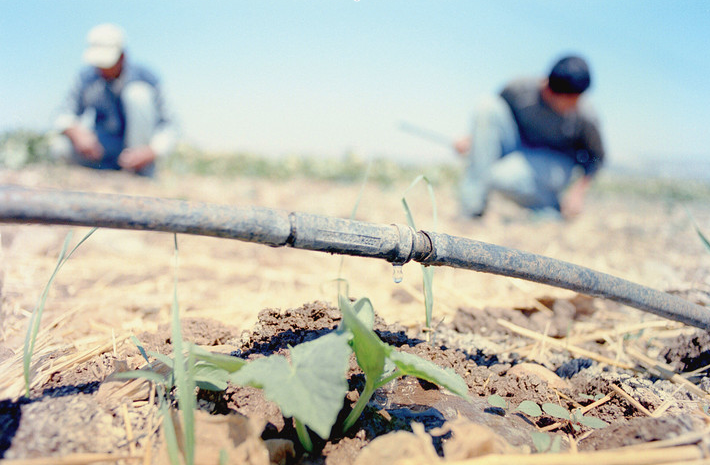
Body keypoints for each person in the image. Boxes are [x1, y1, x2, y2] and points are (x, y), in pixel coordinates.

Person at [455, 55, 604, 219]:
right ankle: (471, 210)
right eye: (570, 100)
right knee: (487, 105)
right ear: (549, 90)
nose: (575, 104)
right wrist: (474, 140)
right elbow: (495, 118)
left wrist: (578, 192)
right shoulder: (520, 88)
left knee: (500, 176)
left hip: (556, 166)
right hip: (519, 149)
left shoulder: (585, 113)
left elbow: (597, 157)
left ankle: (552, 207)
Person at [51, 23, 177, 176]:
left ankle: (138, 173)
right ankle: (104, 172)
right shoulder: (86, 78)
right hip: (103, 148)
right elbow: (63, 112)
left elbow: (170, 126)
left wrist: (150, 151)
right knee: (60, 147)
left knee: (138, 94)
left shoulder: (147, 78)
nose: (101, 69)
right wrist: (76, 133)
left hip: (138, 154)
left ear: (122, 57)